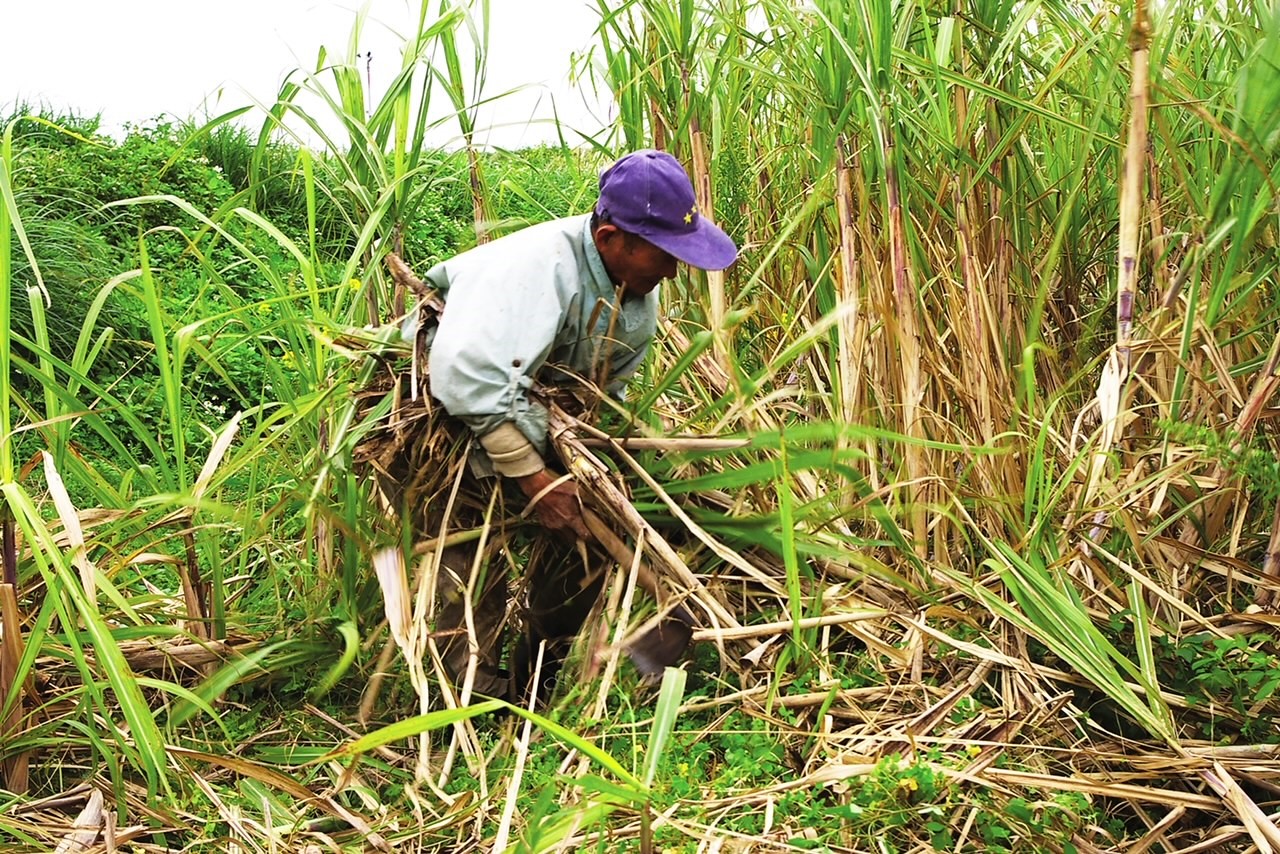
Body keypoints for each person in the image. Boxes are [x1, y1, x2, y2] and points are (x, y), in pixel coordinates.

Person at [420, 149, 738, 703]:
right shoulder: (537, 269)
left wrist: (605, 473)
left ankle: (535, 682)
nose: (672, 269)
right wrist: (533, 480)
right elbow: (462, 374)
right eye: (664, 254)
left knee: (586, 536)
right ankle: (463, 706)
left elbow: (600, 393)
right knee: (467, 567)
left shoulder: (635, 298)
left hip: (544, 423)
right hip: (449, 419)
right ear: (613, 237)